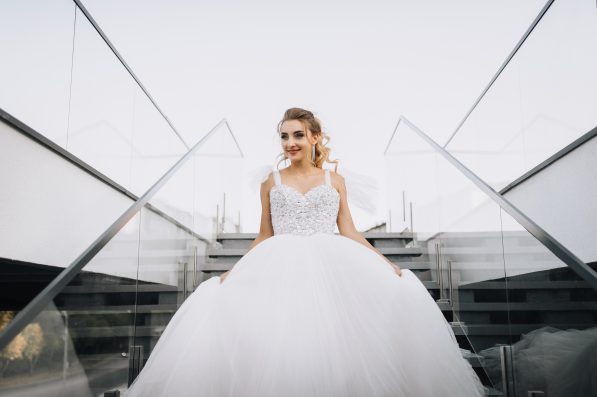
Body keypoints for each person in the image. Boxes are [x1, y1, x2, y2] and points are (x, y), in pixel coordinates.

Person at [125, 107, 486, 396]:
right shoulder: (271, 180)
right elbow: (264, 234)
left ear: (315, 138)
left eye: (298, 135)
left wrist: (385, 263)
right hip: (278, 263)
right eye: (284, 136)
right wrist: (233, 273)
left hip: (331, 261)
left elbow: (348, 230)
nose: (290, 142)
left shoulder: (335, 180)